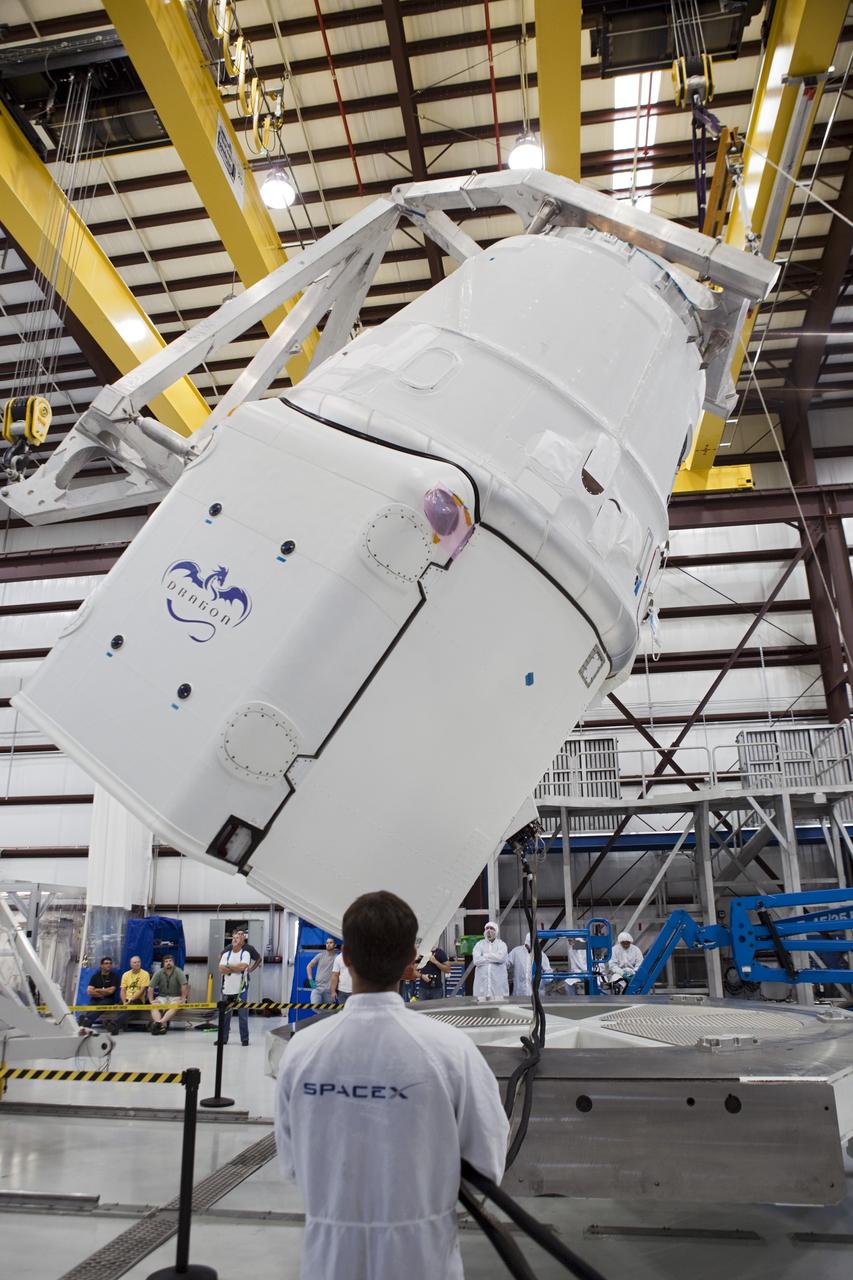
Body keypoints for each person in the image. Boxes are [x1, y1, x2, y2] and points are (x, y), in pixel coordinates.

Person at [274, 890, 508, 1280]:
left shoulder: (302, 1052)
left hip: (328, 1261)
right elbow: (487, 1162)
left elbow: (293, 1164)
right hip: (423, 1259)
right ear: (410, 962)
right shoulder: (451, 1051)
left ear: (346, 957)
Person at [219, 932, 252, 1045]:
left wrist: (228, 967)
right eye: (233, 938)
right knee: (225, 1016)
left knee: (243, 1016)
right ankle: (223, 1039)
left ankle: (244, 1039)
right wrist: (235, 968)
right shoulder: (226, 954)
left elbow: (243, 967)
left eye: (237, 938)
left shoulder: (245, 954)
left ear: (242, 941)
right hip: (227, 990)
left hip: (240, 990)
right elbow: (221, 969)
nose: (234, 939)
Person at [148, 954, 189, 1034]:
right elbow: (150, 988)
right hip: (162, 997)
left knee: (174, 1006)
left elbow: (184, 986)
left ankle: (158, 1024)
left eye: (170, 961)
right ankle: (161, 1026)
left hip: (175, 997)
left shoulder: (179, 971)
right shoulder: (158, 972)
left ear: (173, 962)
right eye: (166, 961)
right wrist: (151, 1000)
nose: (168, 963)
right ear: (163, 964)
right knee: (153, 1006)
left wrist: (183, 999)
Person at [472, 921, 509, 1000]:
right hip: (482, 986)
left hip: (498, 986)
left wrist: (484, 955)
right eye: (487, 928)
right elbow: (476, 960)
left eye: (491, 928)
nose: (489, 930)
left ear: (496, 931)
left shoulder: (502, 945)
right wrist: (494, 958)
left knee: (499, 1004)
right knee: (481, 1004)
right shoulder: (479, 945)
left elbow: (501, 958)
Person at [506, 933, 552, 998]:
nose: (531, 949)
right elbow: (505, 964)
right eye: (528, 946)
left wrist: (540, 981)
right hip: (519, 992)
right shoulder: (516, 952)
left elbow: (549, 973)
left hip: (537, 993)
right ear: (526, 944)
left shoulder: (541, 955)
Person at [80, 956, 118, 1031]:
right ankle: (86, 1023)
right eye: (106, 963)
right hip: (96, 998)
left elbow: (111, 991)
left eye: (110, 963)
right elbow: (89, 991)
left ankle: (86, 1021)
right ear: (101, 965)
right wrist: (101, 994)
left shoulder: (114, 976)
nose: (109, 965)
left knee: (101, 1005)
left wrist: (97, 989)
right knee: (91, 1006)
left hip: (108, 999)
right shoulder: (95, 976)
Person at [116, 955, 151, 1030]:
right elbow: (122, 990)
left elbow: (142, 990)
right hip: (126, 998)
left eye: (138, 962)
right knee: (120, 1006)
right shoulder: (125, 974)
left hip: (138, 999)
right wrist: (124, 1001)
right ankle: (116, 1025)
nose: (137, 964)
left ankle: (115, 1024)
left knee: (131, 1006)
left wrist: (131, 1000)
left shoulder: (145, 974)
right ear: (131, 964)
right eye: (135, 962)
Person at [306, 937, 338, 1006]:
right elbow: (309, 966)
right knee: (315, 1007)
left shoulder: (337, 958)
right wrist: (311, 980)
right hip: (317, 988)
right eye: (327, 943)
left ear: (335, 945)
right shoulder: (320, 955)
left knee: (328, 1010)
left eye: (331, 943)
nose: (328, 944)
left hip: (329, 990)